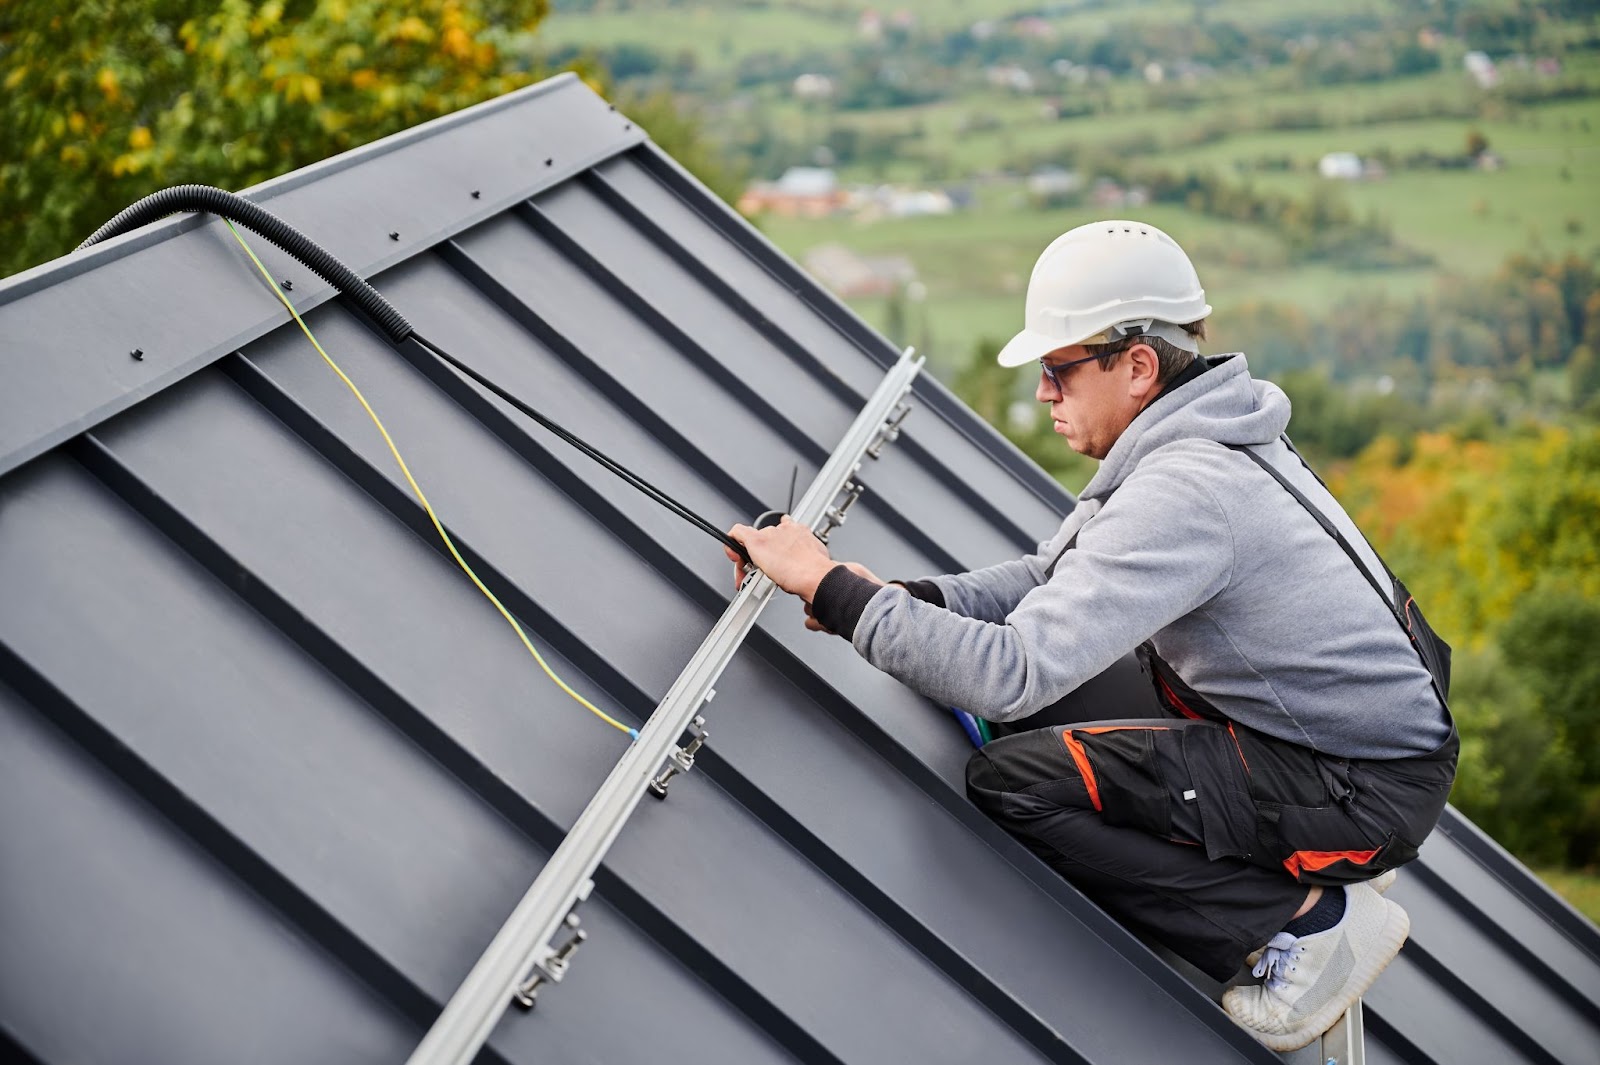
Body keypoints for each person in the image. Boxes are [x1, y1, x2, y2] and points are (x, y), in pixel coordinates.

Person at [726, 220, 1456, 1052]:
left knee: (1014, 780)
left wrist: (834, 591)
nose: (1044, 393)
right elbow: (1048, 579)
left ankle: (1306, 921)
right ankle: (1294, 853)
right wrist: (896, 597)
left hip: (1357, 788)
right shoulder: (1194, 437)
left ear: (1136, 365)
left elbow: (1014, 671)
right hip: (1328, 741)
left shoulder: (1188, 487)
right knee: (1041, 705)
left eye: (1058, 369)